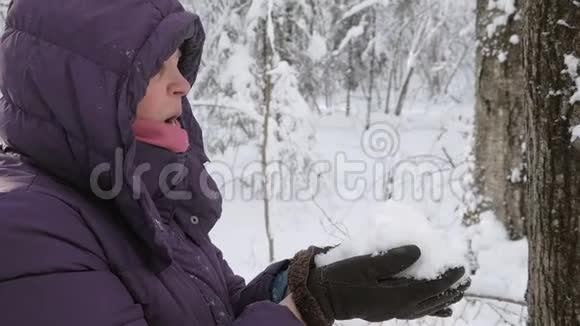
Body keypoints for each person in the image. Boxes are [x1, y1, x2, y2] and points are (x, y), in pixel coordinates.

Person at [0, 1, 470, 325]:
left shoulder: (136, 192)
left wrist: (308, 284)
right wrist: (303, 312)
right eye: (152, 69)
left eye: (177, 62)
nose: (182, 84)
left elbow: (218, 311)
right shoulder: (30, 232)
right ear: (78, 92)